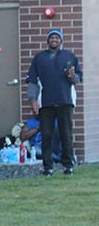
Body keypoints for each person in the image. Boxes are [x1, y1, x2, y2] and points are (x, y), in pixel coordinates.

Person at [25, 28, 82, 176]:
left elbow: (77, 78)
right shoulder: (39, 58)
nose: (54, 40)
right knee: (46, 135)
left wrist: (72, 76)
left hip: (66, 101)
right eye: (51, 38)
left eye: (57, 37)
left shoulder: (69, 56)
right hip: (46, 103)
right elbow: (32, 81)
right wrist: (33, 100)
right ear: (47, 40)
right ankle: (47, 167)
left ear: (61, 40)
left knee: (66, 134)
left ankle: (68, 166)